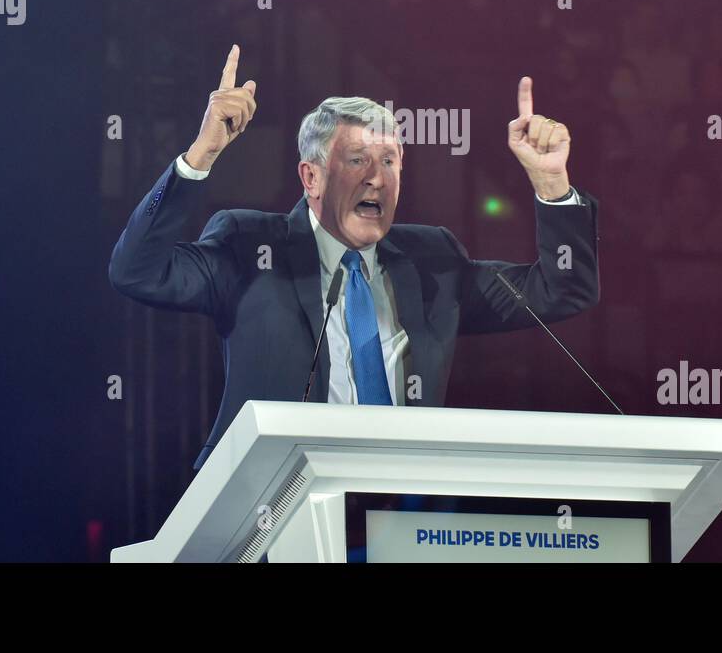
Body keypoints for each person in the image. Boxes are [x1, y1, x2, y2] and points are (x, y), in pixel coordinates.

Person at [108, 45, 601, 470]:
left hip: (402, 514)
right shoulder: (249, 247)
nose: (377, 177)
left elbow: (562, 289)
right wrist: (200, 156)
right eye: (357, 159)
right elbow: (138, 271)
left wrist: (552, 183)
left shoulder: (434, 261)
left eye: (390, 161)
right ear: (312, 177)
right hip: (274, 507)